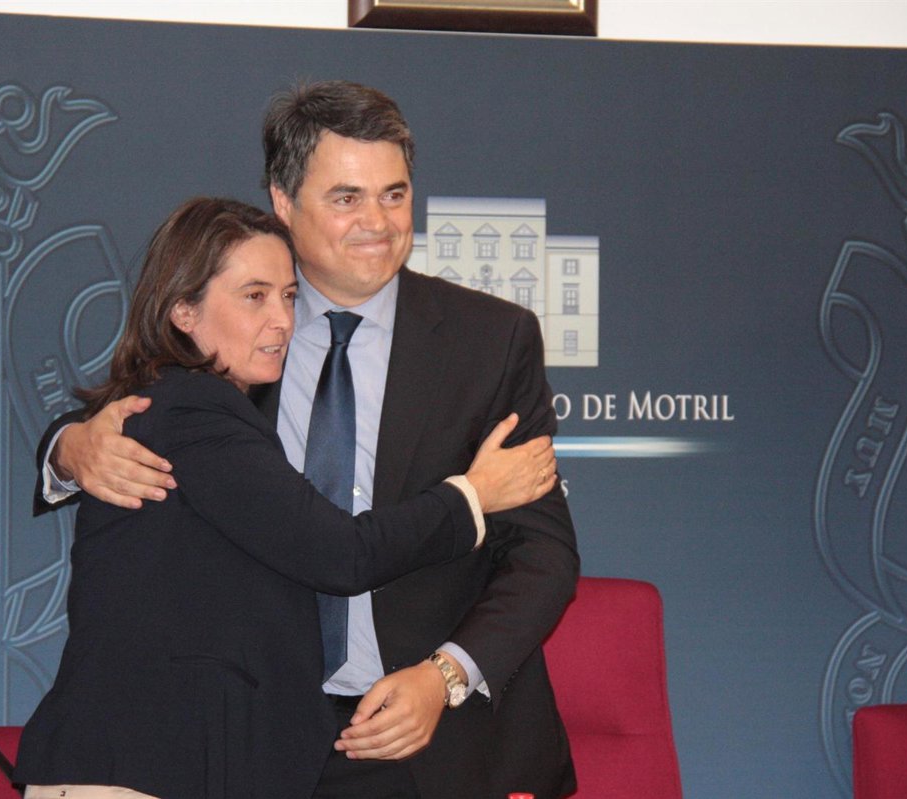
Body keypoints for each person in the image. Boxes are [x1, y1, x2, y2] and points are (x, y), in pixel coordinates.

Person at [37, 82, 579, 798]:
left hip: (429, 739)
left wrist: (444, 675)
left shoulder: (492, 340)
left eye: (394, 194)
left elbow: (543, 555)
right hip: (251, 744)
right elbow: (143, 408)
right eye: (347, 197)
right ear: (284, 202)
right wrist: (69, 449)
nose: (377, 222)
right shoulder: (240, 332)